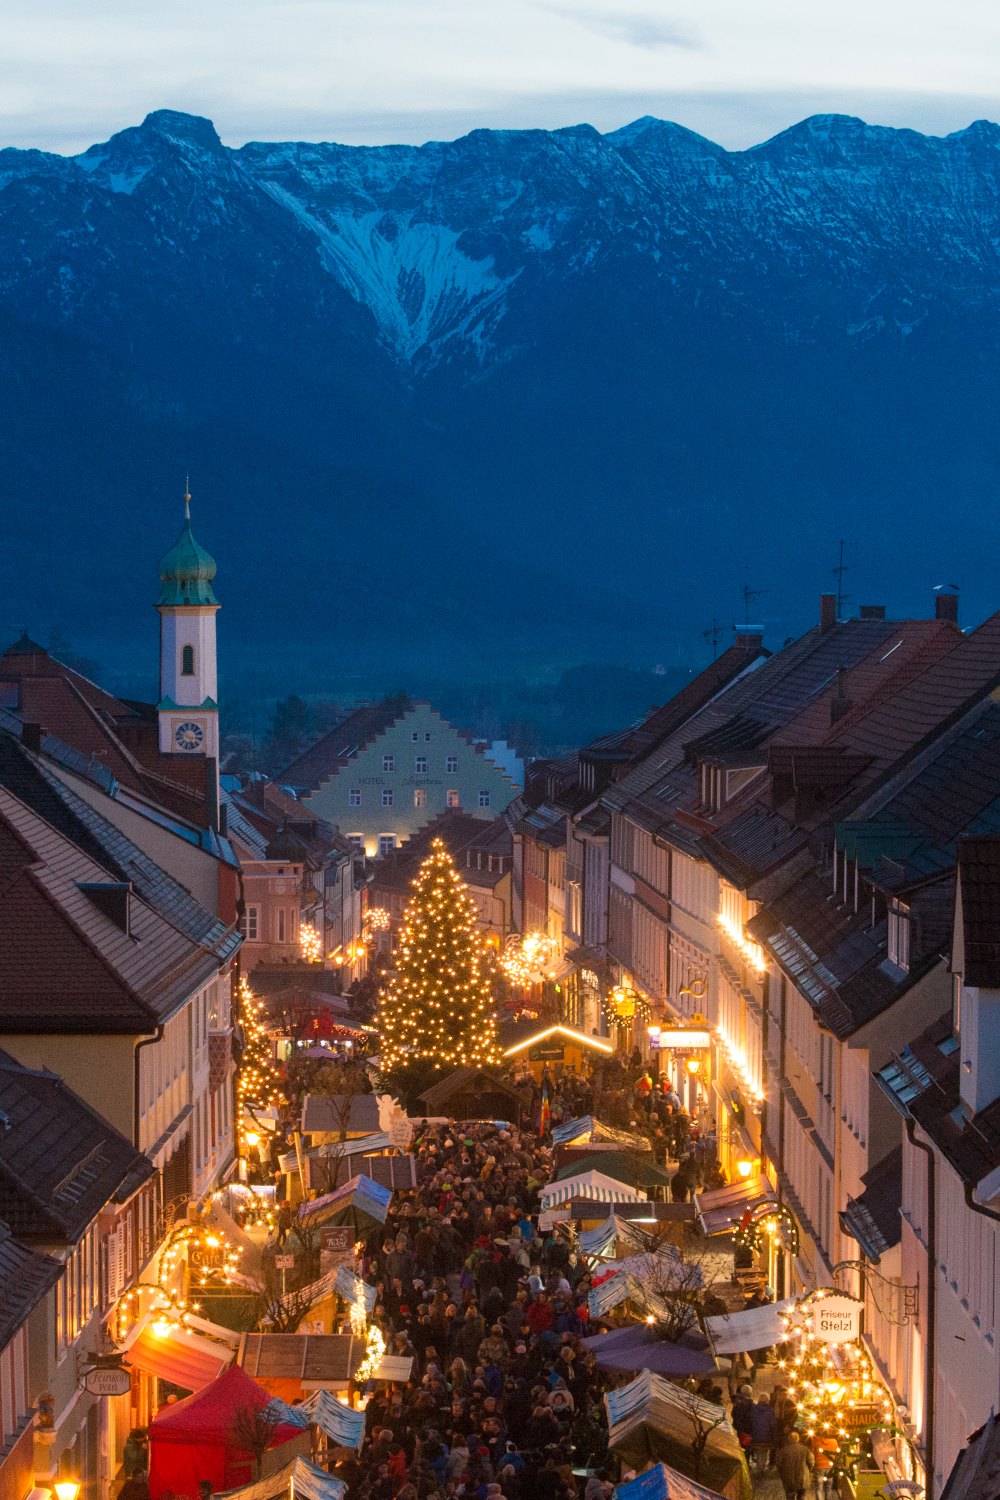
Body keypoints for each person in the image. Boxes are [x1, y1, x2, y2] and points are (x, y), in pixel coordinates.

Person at [776, 1431, 815, 1500]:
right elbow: (811, 1461)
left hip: (788, 1477)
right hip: (802, 1477)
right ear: (798, 1438)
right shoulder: (805, 1449)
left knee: (790, 1495)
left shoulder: (784, 1450)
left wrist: (781, 1473)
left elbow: (779, 1463)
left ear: (789, 1439)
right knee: (801, 1495)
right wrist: (809, 1469)